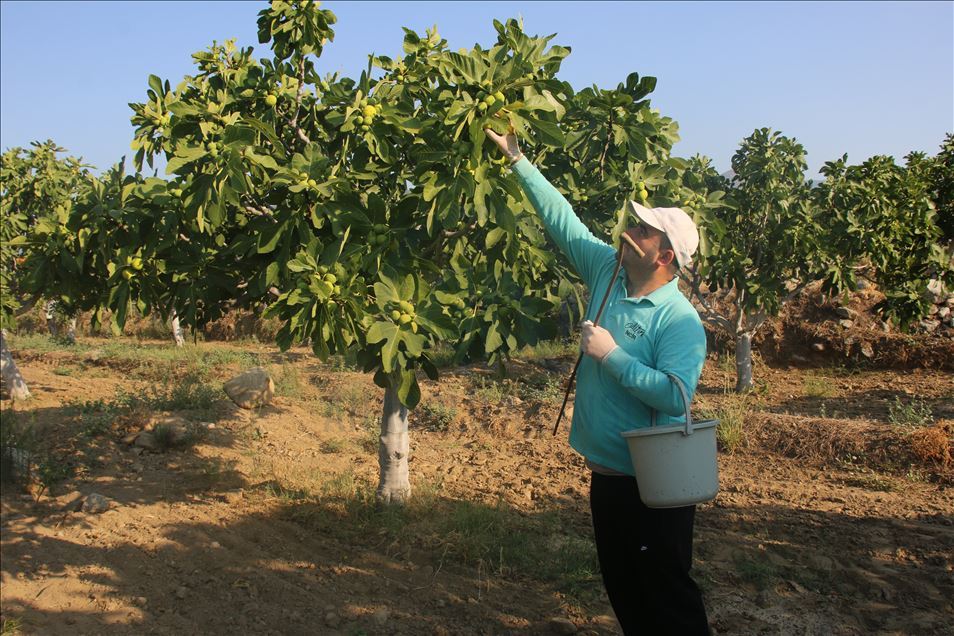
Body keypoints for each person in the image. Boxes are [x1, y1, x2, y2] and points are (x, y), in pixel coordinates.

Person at [485, 128, 711, 635]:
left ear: (664, 257)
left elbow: (676, 396)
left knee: (667, 597)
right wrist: (519, 160)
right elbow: (562, 221)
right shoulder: (607, 269)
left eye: (644, 229)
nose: (630, 228)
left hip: (655, 484)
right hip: (608, 475)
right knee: (626, 591)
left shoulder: (678, 321)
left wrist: (611, 356)